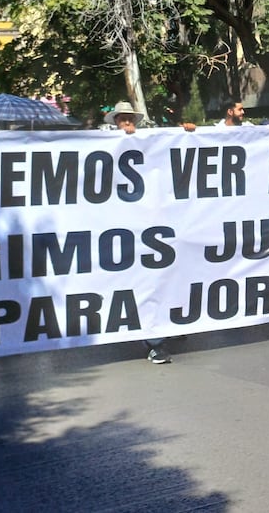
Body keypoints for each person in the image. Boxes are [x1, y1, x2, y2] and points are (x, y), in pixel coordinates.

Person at [104, 100, 172, 364]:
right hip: (118, 229)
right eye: (122, 118)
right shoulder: (102, 143)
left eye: (130, 118)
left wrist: (188, 132)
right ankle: (150, 338)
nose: (127, 122)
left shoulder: (148, 142)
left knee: (155, 280)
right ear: (115, 121)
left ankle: (158, 338)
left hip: (150, 227)